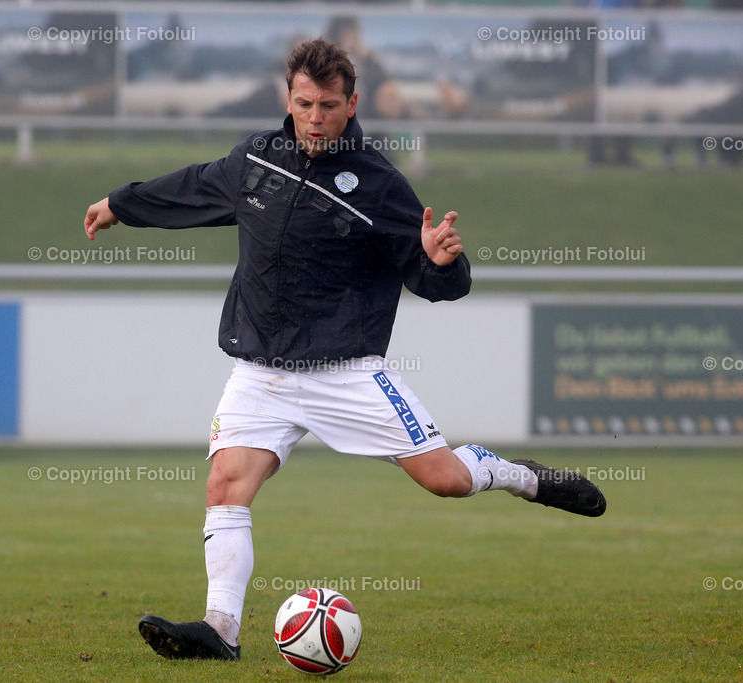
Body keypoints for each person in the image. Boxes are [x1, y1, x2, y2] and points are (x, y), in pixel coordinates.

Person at [83, 38, 606, 663]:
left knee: (445, 480)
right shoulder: (256, 159)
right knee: (225, 484)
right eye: (303, 103)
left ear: (352, 103)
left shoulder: (379, 185)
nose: (314, 117)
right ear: (288, 97)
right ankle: (219, 630)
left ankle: (522, 477)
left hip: (345, 372)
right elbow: (193, 189)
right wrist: (122, 203)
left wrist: (445, 262)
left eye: (328, 105)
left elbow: (431, 275)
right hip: (261, 369)